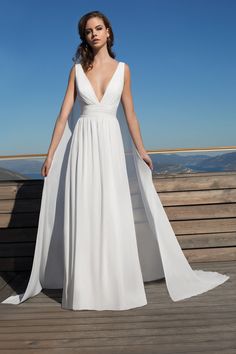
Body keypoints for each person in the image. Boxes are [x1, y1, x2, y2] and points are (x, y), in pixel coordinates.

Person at [2, 10, 229, 311]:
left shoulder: (124, 69)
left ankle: (115, 282)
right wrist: (50, 154)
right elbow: (62, 117)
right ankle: (85, 288)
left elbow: (131, 114)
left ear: (108, 32)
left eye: (98, 28)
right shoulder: (76, 71)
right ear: (84, 37)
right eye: (87, 30)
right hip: (82, 145)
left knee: (111, 207)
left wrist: (142, 150)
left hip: (109, 142)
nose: (93, 33)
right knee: (84, 209)